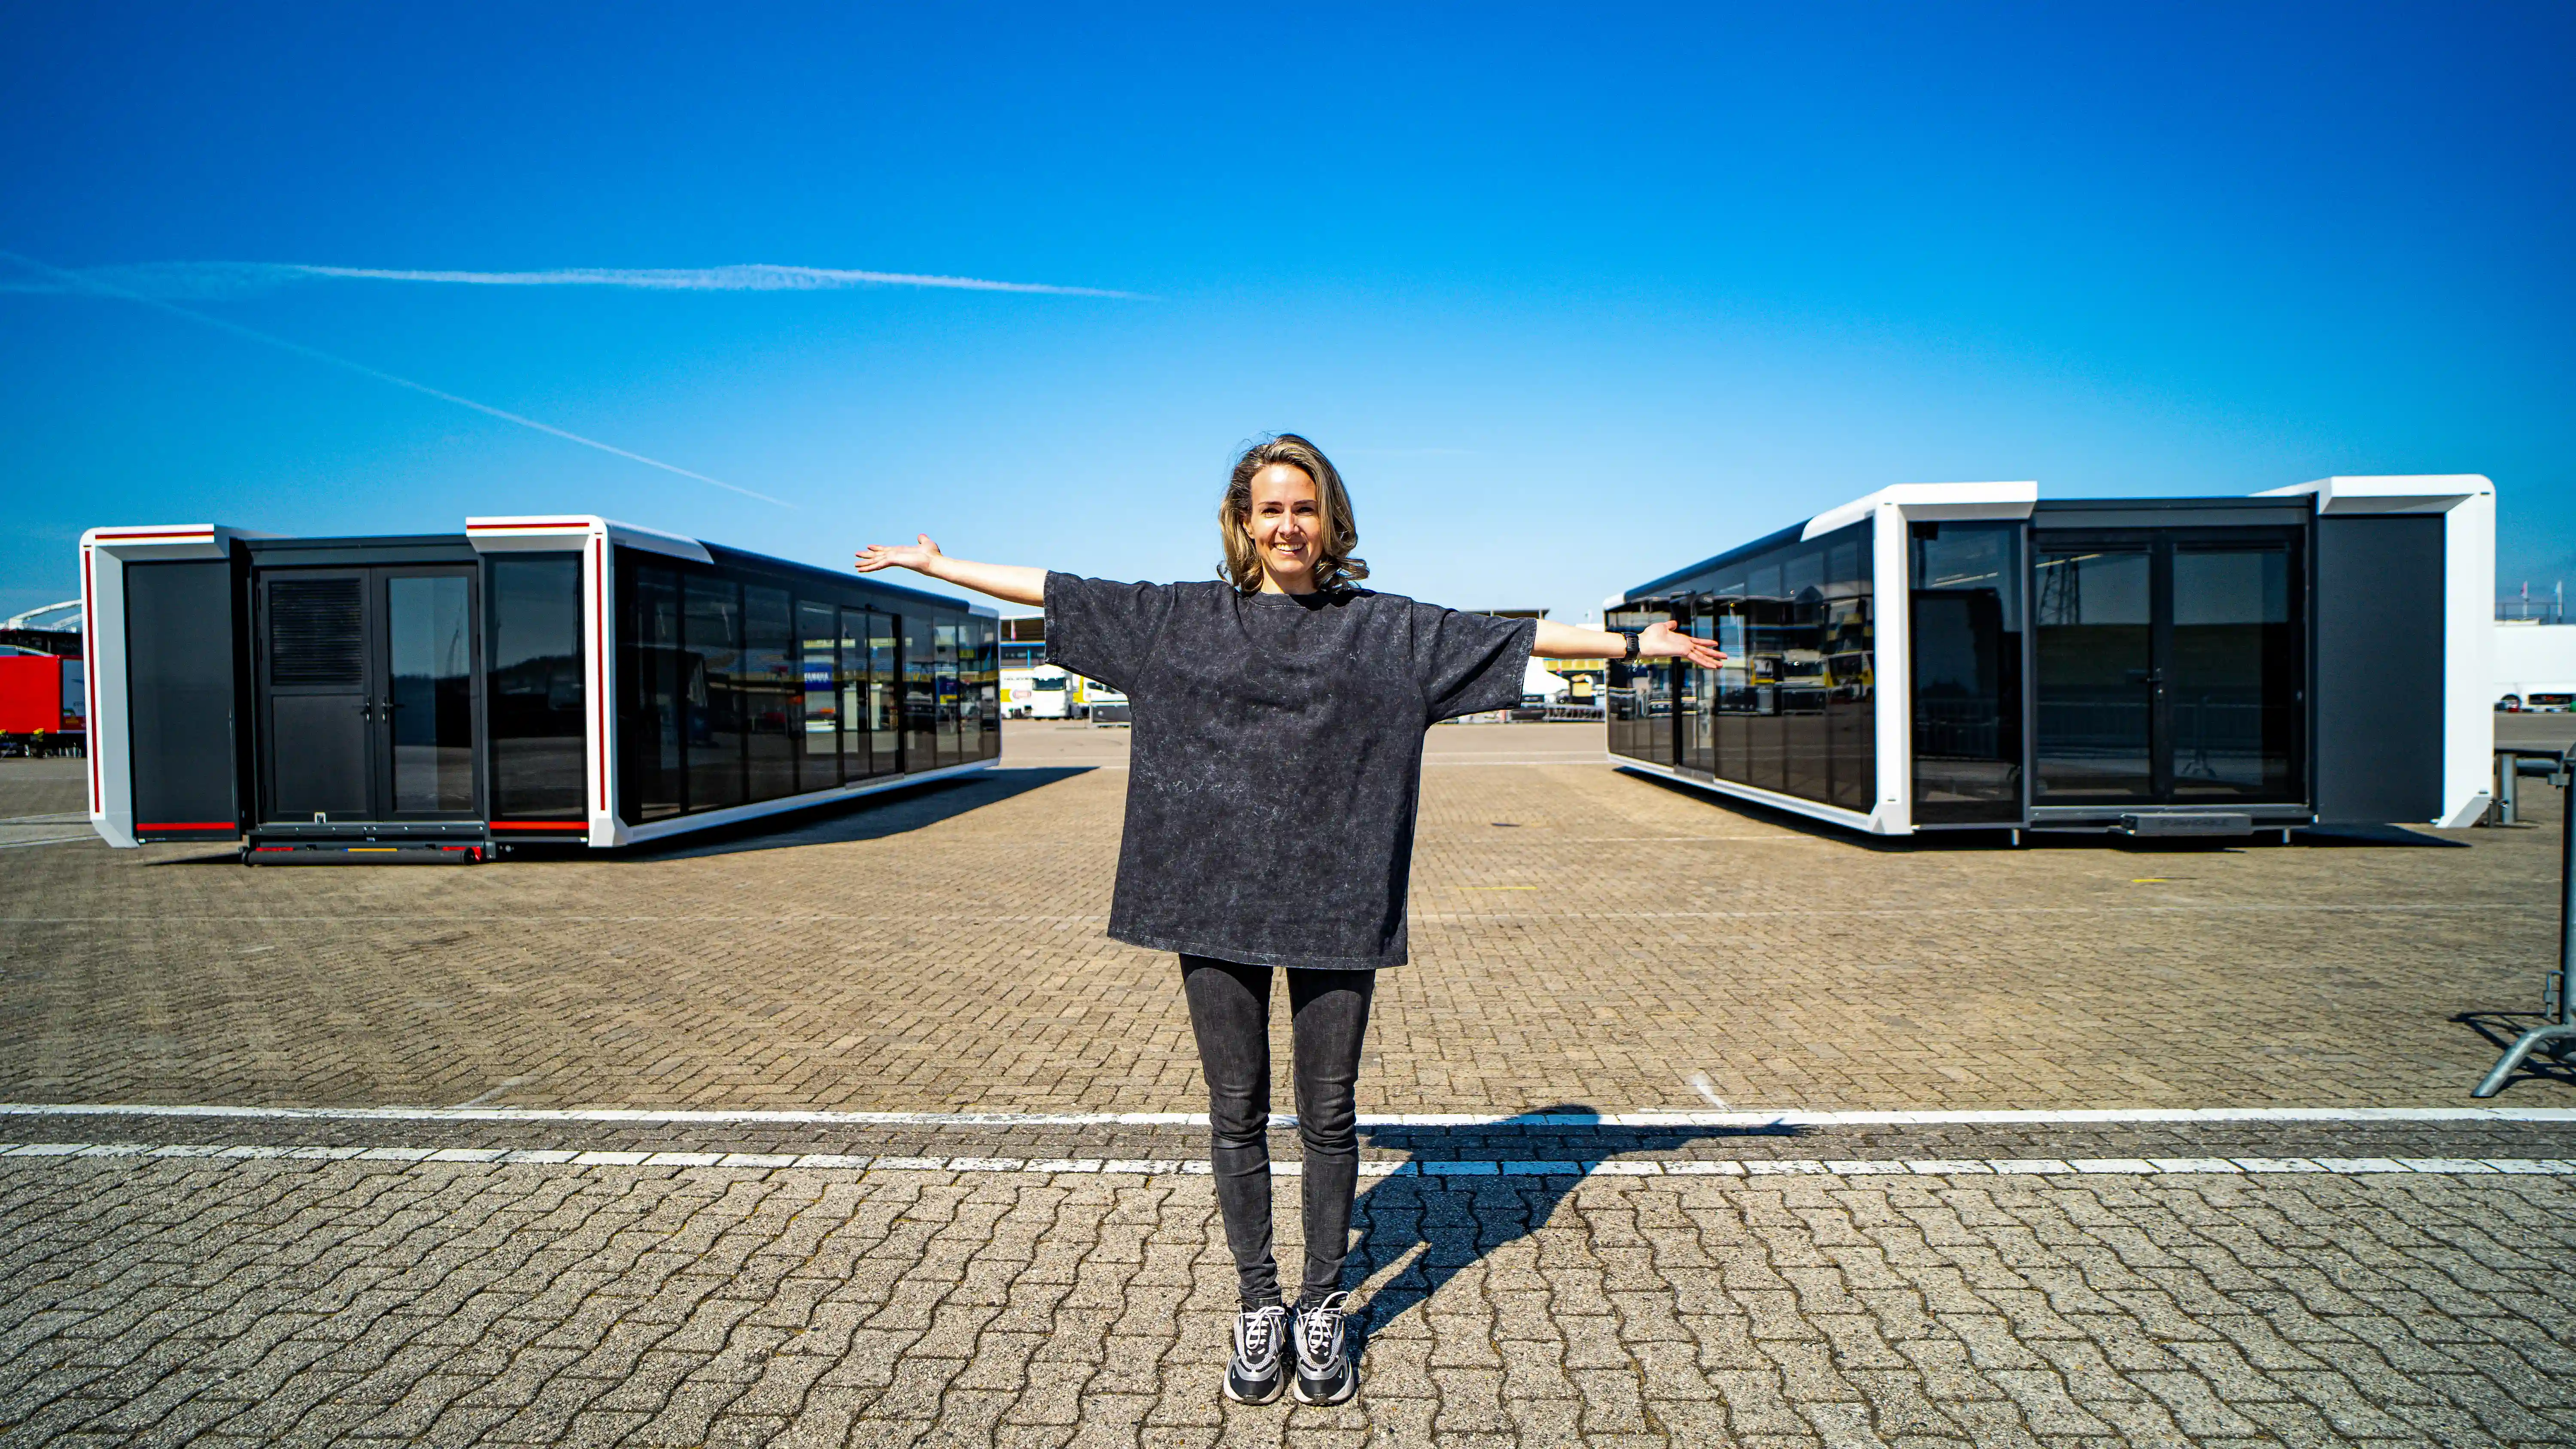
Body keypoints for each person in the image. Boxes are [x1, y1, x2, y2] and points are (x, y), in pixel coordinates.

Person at [856, 434, 1726, 1407]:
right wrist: (939, 567)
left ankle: (1320, 1304)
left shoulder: (1386, 630)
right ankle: (1258, 1303)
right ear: (1244, 521)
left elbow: (1509, 637)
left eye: (1303, 507)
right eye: (1269, 508)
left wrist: (1635, 645)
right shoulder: (1176, 620)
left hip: (1335, 901)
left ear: (1330, 519)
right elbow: (1058, 590)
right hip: (1211, 900)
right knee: (1235, 1113)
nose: (1287, 526)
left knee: (1327, 1114)